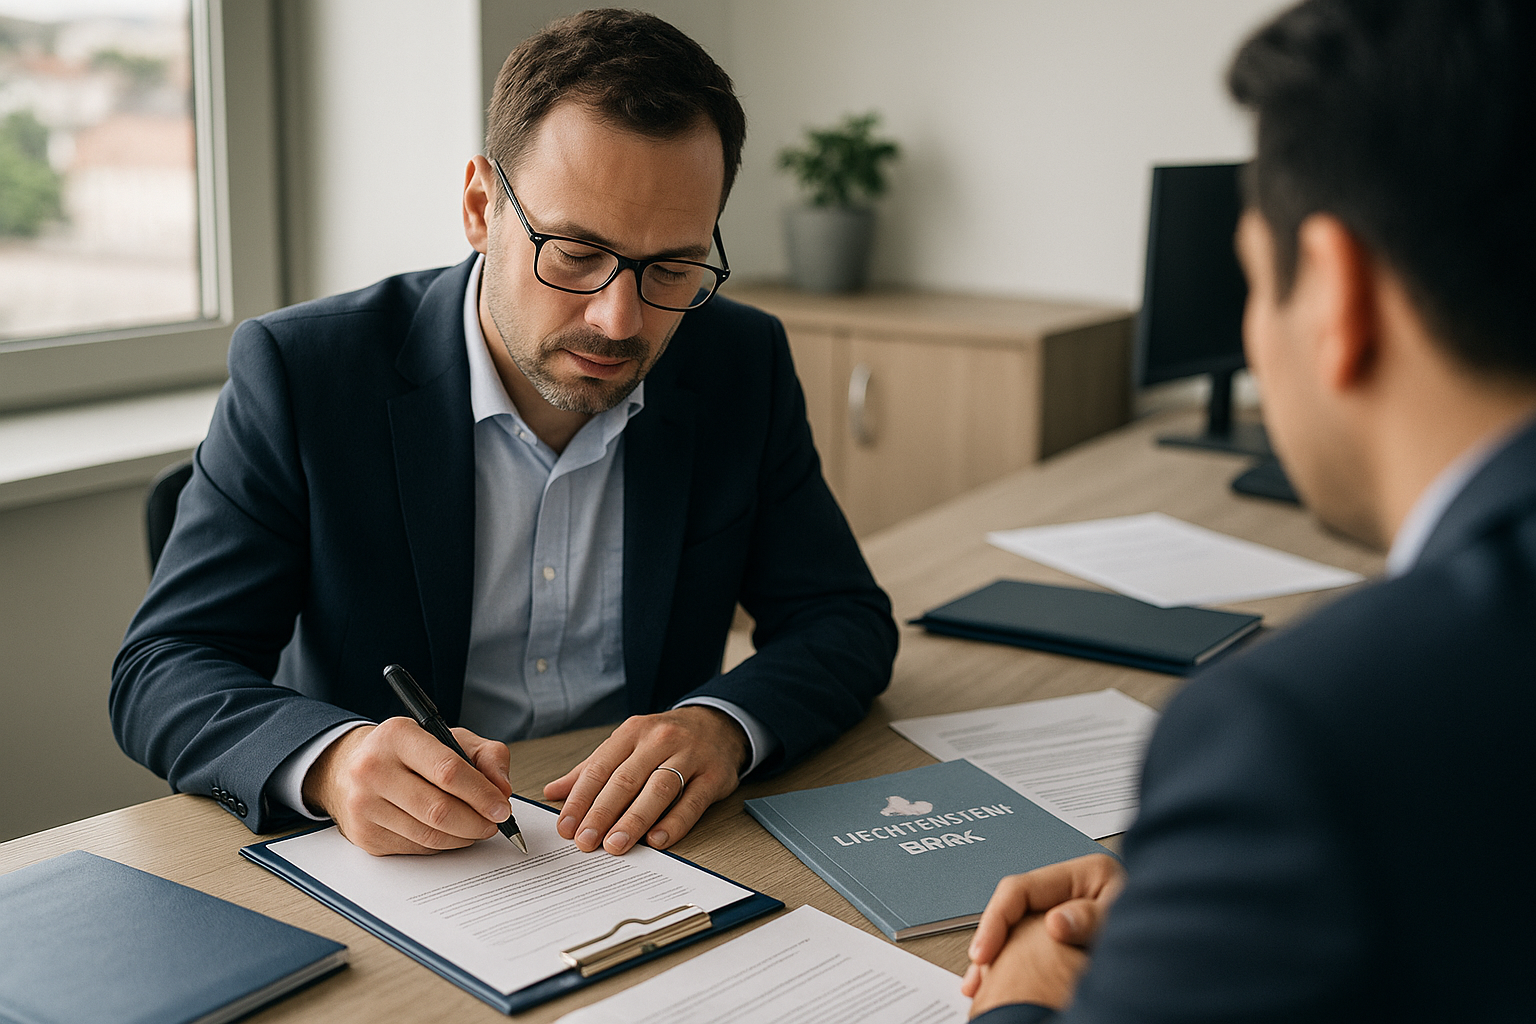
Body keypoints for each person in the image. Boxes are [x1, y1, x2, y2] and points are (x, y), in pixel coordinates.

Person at [111, 9, 896, 858]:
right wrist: (334, 762)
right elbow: (166, 666)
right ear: (481, 207)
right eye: (576, 253)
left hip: (648, 848)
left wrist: (723, 726)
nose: (619, 320)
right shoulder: (304, 374)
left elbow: (841, 618)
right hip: (398, 861)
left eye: (672, 268)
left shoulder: (740, 361)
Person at [962, 0, 1536, 1020]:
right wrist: (1208, 907)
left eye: (1255, 279)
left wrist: (1025, 995)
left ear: (1336, 291)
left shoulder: (1304, 734)